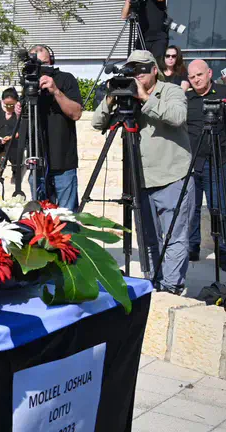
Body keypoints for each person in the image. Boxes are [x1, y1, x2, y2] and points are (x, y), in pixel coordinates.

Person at [92, 50, 193, 295]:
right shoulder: (126, 95)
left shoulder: (171, 91)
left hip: (171, 175)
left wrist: (145, 96)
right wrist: (110, 98)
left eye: (143, 70)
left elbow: (178, 116)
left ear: (154, 70)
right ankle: (153, 281)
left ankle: (171, 287)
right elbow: (97, 123)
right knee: (148, 238)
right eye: (133, 70)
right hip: (140, 180)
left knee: (174, 237)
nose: (138, 75)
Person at [27, 44, 83, 211]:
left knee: (67, 219)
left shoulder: (66, 79)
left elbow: (77, 113)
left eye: (43, 63)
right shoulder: (29, 81)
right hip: (36, 162)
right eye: (36, 64)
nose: (41, 69)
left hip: (63, 161)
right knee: (38, 219)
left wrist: (55, 91)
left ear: (50, 60)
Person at [185, 60, 226, 266]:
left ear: (210, 73)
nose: (196, 80)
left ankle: (223, 250)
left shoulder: (223, 93)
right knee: (191, 209)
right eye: (192, 77)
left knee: (219, 208)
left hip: (217, 161)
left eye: (199, 75)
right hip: (191, 163)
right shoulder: (186, 98)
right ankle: (193, 247)